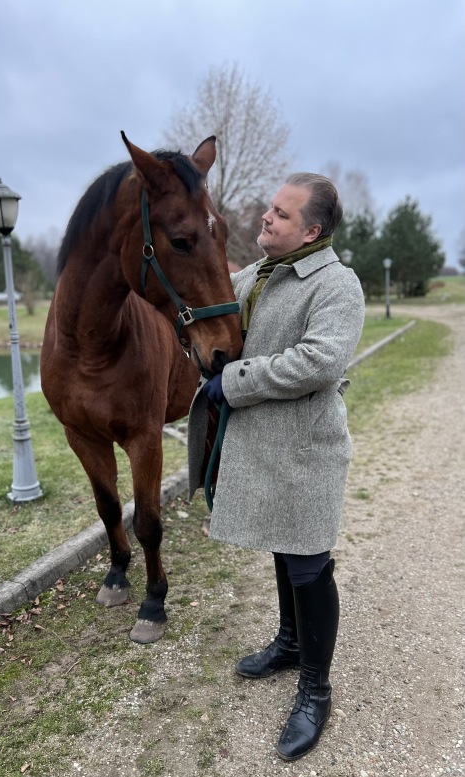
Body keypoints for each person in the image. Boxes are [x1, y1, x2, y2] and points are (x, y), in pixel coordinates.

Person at [188, 172, 365, 761]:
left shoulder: (336, 284)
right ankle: (290, 643)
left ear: (311, 231)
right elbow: (207, 306)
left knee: (309, 563)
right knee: (282, 547)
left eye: (282, 214)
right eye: (271, 208)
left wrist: (234, 382)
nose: (266, 217)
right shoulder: (255, 276)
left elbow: (318, 362)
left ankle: (316, 690)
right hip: (261, 447)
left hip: (306, 449)